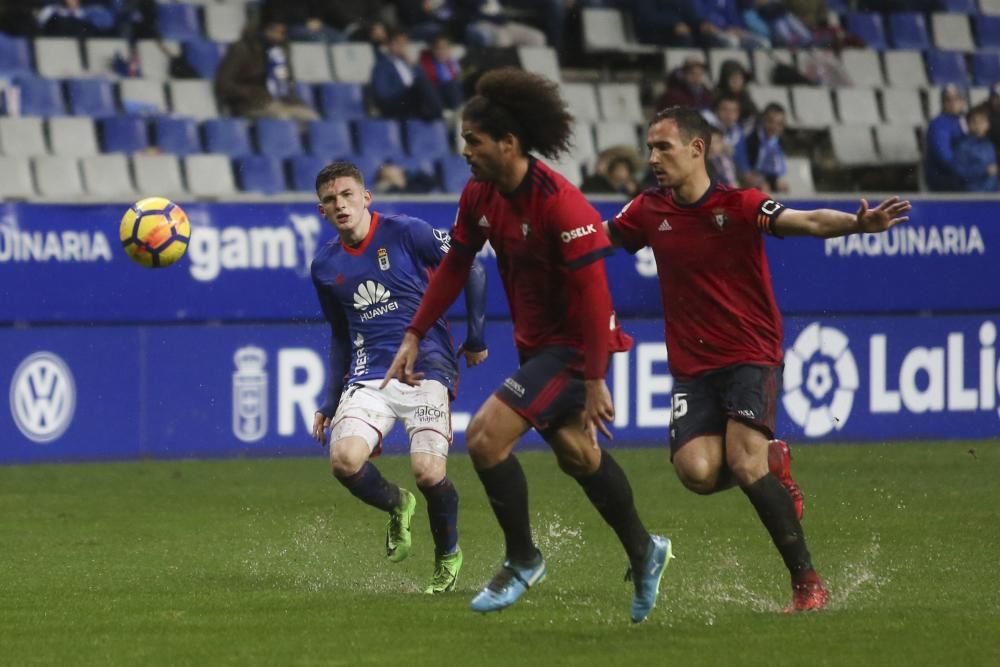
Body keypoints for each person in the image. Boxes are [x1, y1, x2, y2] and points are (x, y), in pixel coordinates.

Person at [382, 68, 672, 623]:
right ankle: (644, 550)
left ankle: (521, 559)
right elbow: (454, 265)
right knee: (576, 454)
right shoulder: (480, 194)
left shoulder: (561, 205)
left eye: (473, 140)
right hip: (537, 347)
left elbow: (594, 297)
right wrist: (415, 332)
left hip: (574, 347)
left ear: (508, 144)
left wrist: (594, 379)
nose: (464, 151)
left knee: (485, 437)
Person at [602, 106, 911, 612]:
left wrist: (857, 224)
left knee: (743, 462)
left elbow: (806, 220)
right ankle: (773, 459)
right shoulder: (647, 210)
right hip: (692, 367)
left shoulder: (741, 204)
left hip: (750, 352)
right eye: (650, 149)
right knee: (697, 473)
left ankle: (806, 582)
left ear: (697, 148)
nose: (653, 158)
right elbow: (597, 238)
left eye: (664, 147)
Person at [310, 161, 488, 594]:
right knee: (344, 461)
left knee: (428, 472)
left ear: (366, 197)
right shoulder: (324, 266)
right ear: (322, 211)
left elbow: (472, 267)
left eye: (348, 194)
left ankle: (447, 555)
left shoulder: (408, 232)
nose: (341, 204)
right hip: (371, 373)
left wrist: (477, 336)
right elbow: (339, 334)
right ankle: (397, 504)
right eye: (331, 199)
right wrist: (329, 402)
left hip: (427, 366)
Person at [214, 15, 319, 122]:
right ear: (262, 30)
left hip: (280, 101)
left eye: (282, 33)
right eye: (274, 31)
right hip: (250, 104)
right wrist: (252, 93)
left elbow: (287, 80)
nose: (277, 36)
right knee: (281, 117)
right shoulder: (241, 49)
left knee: (311, 117)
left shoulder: (281, 50)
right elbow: (223, 84)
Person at [371, 28, 445, 120]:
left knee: (436, 84)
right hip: (395, 104)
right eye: (399, 43)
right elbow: (383, 94)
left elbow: (426, 85)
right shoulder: (382, 66)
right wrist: (406, 90)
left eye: (404, 43)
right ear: (390, 44)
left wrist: (413, 65)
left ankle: (438, 114)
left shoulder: (410, 63)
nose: (402, 46)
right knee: (420, 82)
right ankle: (439, 115)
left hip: (413, 103)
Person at [925, 85, 968, 192]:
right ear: (943, 103)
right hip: (946, 180)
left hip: (963, 176)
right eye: (948, 99)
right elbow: (945, 158)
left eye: (957, 98)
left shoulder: (966, 120)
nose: (953, 103)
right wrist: (970, 172)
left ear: (963, 101)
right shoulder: (938, 124)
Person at [741, 102, 789, 193]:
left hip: (769, 177)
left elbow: (777, 169)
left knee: (783, 187)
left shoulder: (779, 141)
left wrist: (775, 181)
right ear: (763, 120)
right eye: (770, 122)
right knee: (763, 188)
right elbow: (747, 166)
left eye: (779, 124)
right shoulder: (752, 140)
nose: (774, 127)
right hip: (751, 176)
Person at [954, 106, 999, 192]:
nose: (978, 125)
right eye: (974, 122)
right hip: (973, 195)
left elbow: (994, 173)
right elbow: (959, 173)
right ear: (968, 124)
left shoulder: (989, 145)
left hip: (992, 194)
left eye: (982, 122)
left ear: (988, 125)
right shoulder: (963, 146)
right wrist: (983, 170)